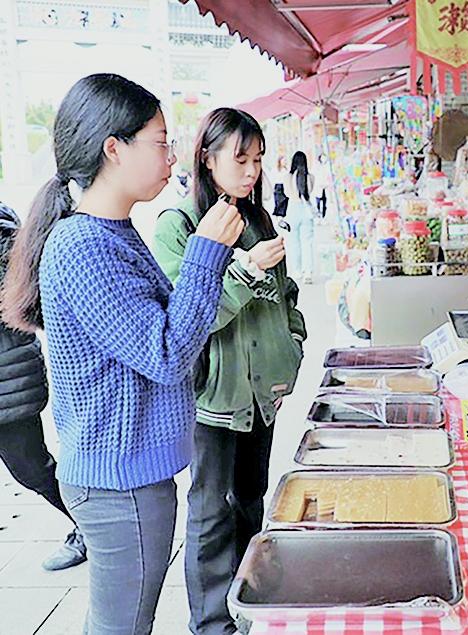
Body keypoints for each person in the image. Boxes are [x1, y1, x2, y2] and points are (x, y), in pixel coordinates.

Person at [0, 73, 243, 635]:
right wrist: (207, 253)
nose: (172, 156)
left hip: (128, 477)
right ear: (114, 147)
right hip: (118, 486)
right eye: (161, 141)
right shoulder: (84, 245)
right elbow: (164, 352)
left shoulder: (111, 232)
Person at [153, 107, 306, 635]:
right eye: (240, 159)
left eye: (258, 160)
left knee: (250, 500)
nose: (251, 172)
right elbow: (186, 319)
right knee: (210, 513)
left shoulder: (259, 219)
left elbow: (287, 300)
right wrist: (245, 269)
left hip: (263, 395)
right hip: (213, 401)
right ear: (207, 158)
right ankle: (213, 623)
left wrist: (293, 350)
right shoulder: (179, 227)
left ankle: (250, 597)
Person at [0, 202, 87, 572]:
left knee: (31, 467)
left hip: (7, 382)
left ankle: (91, 528)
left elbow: (17, 293)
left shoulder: (3, 228)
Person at [285, 150, 316, 283]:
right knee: (307, 242)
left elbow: (287, 193)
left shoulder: (288, 177)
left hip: (293, 209)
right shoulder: (311, 177)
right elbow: (310, 191)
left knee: (293, 242)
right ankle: (308, 272)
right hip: (306, 209)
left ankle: (297, 271)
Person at [312, 153, 329, 219]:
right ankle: (319, 215)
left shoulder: (327, 166)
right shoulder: (317, 167)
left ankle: (323, 215)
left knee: (324, 202)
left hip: (325, 187)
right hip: (319, 187)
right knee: (318, 202)